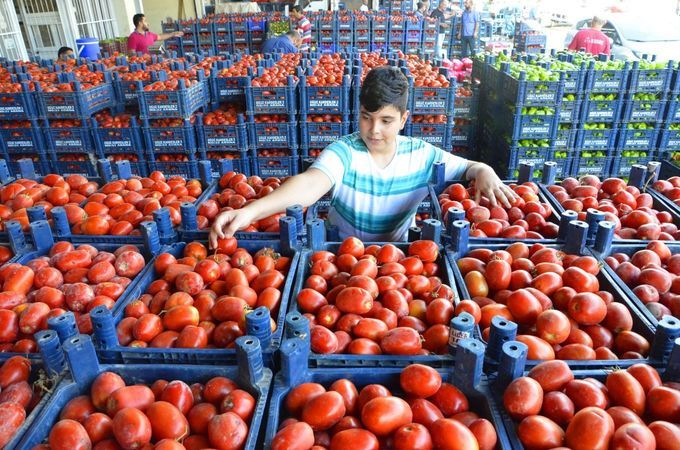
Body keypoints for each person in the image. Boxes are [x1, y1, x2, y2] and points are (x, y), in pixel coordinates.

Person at [209, 66, 515, 246]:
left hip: (396, 257)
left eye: (386, 121)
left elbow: (470, 168)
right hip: (340, 253)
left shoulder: (422, 155)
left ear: (404, 119)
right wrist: (250, 212)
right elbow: (309, 184)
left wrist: (484, 169)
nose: (374, 130)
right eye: (367, 117)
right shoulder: (344, 151)